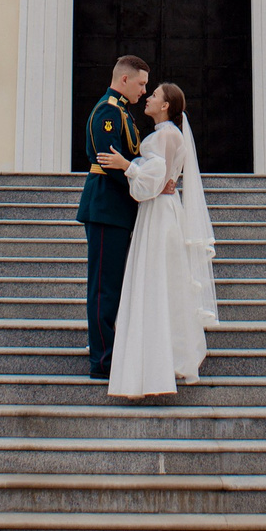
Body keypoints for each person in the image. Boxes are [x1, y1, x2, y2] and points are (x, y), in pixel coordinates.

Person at [107, 81, 218, 399]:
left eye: (154, 95)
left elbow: (154, 181)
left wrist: (128, 167)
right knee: (161, 282)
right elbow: (160, 176)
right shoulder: (167, 134)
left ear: (166, 105)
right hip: (161, 211)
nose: (148, 98)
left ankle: (151, 368)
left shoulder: (166, 135)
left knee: (154, 281)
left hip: (159, 213)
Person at [75, 54, 149, 381]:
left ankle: (109, 351)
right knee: (104, 288)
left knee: (113, 285)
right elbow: (109, 161)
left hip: (116, 208)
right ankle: (102, 360)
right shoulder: (109, 111)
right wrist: (142, 184)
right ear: (125, 79)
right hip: (106, 207)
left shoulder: (122, 112)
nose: (144, 91)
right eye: (141, 83)